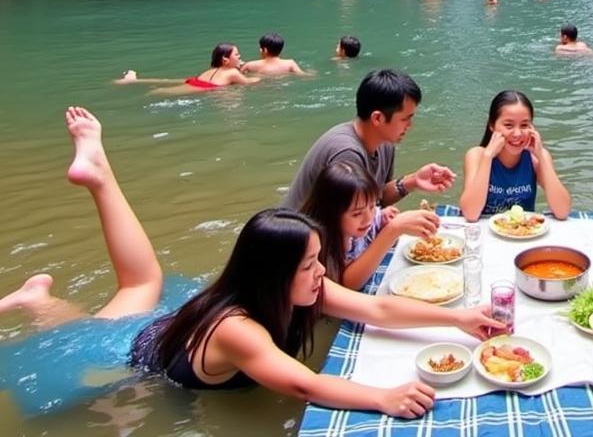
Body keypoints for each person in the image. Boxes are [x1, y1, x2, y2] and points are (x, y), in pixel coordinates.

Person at [0, 109, 500, 418]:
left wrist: (460, 318)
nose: (321, 271)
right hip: (135, 353)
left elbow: (382, 311)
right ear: (276, 274)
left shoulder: (297, 285)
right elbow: (302, 383)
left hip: (173, 324)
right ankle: (39, 300)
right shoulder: (237, 329)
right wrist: (383, 397)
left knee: (142, 282)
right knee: (102, 317)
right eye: (310, 266)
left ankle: (96, 181)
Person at [283, 69, 455, 211]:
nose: (410, 125)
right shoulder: (347, 155)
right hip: (304, 247)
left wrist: (413, 181)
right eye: (405, 119)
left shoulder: (385, 143)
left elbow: (376, 199)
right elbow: (348, 223)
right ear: (378, 118)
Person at [299, 163, 439, 291]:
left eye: (372, 206)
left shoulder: (364, 220)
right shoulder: (319, 244)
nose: (368, 218)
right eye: (357, 214)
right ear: (331, 213)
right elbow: (349, 284)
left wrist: (384, 219)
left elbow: (376, 218)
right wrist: (392, 230)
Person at [458, 91, 571, 221]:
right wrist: (488, 157)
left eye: (524, 125)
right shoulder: (477, 156)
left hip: (524, 233)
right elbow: (470, 214)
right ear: (492, 125)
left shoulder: (536, 158)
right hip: (486, 233)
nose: (517, 134)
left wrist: (541, 156)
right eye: (508, 125)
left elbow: (562, 212)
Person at [115, 44, 260, 91]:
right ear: (225, 60)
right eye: (238, 55)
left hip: (195, 81)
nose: (240, 57)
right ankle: (132, 82)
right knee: (160, 92)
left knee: (166, 83)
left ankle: (134, 81)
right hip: (201, 87)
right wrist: (260, 75)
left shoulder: (213, 69)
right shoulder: (233, 72)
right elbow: (249, 83)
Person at [242, 33, 309, 77]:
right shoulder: (290, 63)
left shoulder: (250, 65)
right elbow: (303, 75)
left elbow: (239, 76)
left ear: (265, 50)